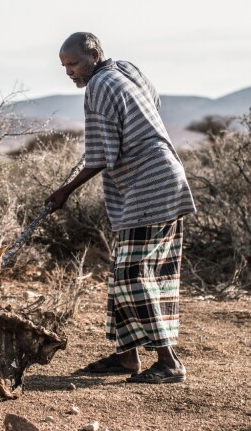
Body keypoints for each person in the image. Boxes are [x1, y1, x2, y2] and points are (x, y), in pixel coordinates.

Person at [46, 32, 196, 383]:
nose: (69, 72)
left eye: (74, 64)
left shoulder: (98, 88)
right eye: (64, 66)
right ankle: (126, 357)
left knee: (133, 274)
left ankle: (169, 362)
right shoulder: (128, 69)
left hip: (149, 186)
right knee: (123, 272)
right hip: (164, 177)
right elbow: (153, 104)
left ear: (95, 55)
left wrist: (64, 191)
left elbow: (101, 156)